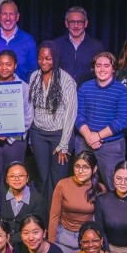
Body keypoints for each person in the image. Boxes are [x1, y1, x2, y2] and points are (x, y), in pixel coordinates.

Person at [73, 51, 127, 184]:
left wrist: (98, 136)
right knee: (82, 184)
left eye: (106, 65)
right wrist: (89, 136)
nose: (102, 69)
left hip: (111, 146)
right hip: (84, 142)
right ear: (93, 68)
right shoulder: (85, 87)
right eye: (98, 65)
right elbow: (78, 114)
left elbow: (122, 121)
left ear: (113, 69)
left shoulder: (122, 91)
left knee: (113, 185)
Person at [27, 41, 78, 197]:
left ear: (55, 58)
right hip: (38, 134)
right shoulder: (34, 76)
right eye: (41, 58)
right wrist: (30, 138)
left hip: (60, 134)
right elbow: (31, 108)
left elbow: (71, 113)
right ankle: (42, 215)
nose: (44, 62)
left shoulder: (66, 79)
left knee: (58, 179)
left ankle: (56, 217)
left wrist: (64, 144)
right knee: (42, 177)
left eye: (48, 58)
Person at [0, 49, 33, 187]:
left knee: (13, 179)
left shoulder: (23, 87)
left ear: (15, 65)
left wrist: (9, 132)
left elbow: (28, 118)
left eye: (8, 64)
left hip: (15, 141)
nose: (4, 68)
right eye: (0, 64)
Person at [48, 150, 105, 253]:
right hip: (63, 237)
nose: (80, 171)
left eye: (86, 167)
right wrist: (51, 245)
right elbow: (54, 217)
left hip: (87, 239)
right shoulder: (63, 184)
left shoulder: (100, 188)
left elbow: (101, 219)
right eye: (77, 166)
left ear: (94, 169)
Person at [0, 0, 37, 81]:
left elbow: (33, 71)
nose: (8, 18)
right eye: (4, 14)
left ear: (17, 17)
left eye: (11, 14)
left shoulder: (28, 40)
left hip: (20, 91)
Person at [51, 6, 105, 84]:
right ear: (66, 23)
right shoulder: (56, 44)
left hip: (88, 93)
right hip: (61, 93)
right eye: (72, 22)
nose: (76, 26)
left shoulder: (96, 46)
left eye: (79, 22)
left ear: (86, 23)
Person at [0, 161, 48, 228]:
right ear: (7, 179)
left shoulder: (37, 199)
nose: (17, 179)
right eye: (12, 176)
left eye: (21, 176)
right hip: (3, 237)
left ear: (27, 178)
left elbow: (39, 227)